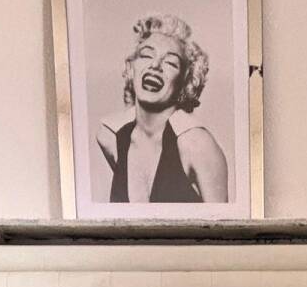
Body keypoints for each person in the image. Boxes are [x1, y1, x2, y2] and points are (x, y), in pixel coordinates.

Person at [97, 14, 229, 204]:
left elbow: (223, 223)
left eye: (170, 63)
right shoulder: (110, 139)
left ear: (186, 82)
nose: (155, 65)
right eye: (146, 55)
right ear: (130, 68)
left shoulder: (197, 146)